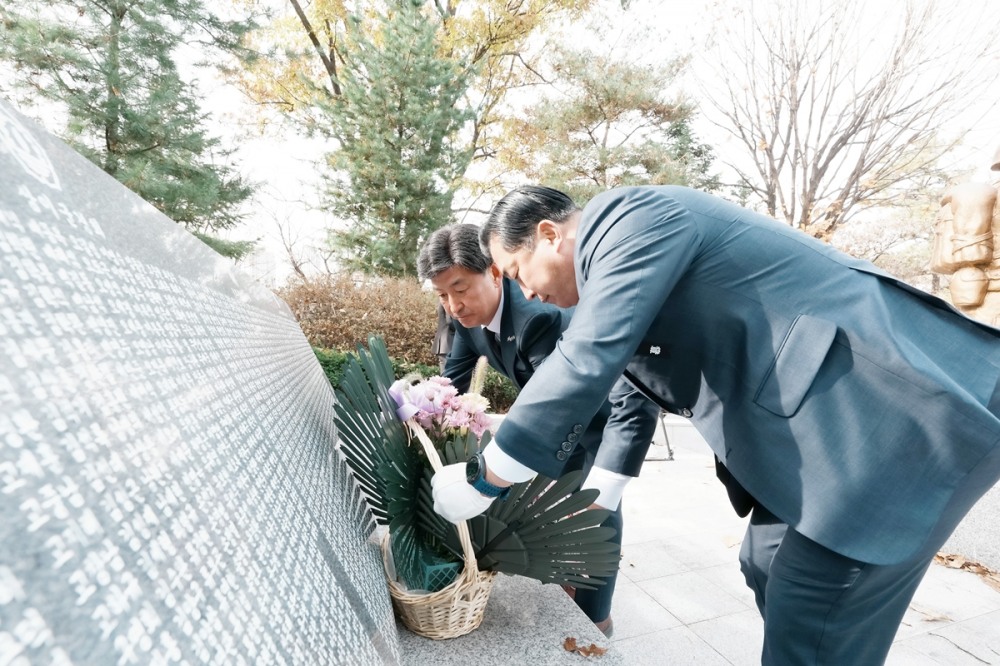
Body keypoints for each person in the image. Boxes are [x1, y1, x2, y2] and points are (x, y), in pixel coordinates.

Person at [431, 185, 1000, 665]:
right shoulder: (606, 273)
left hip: (887, 414)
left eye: (515, 271)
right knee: (765, 565)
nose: (524, 291)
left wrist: (488, 476)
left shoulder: (632, 220)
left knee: (810, 604)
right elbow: (631, 381)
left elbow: (586, 360)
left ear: (550, 236)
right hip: (809, 437)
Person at [416, 223, 659, 637]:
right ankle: (567, 585)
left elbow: (556, 405)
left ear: (494, 272)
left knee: (594, 510)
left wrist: (490, 479)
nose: (453, 306)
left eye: (461, 288)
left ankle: (598, 618)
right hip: (550, 421)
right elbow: (451, 386)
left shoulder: (538, 315)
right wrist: (424, 410)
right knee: (557, 515)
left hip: (599, 420)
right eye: (442, 295)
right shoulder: (466, 321)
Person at [432, 302, 455, 372]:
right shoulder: (446, 302)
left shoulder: (440, 302)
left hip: (441, 342)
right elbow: (449, 321)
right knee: (448, 370)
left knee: (444, 371)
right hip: (447, 341)